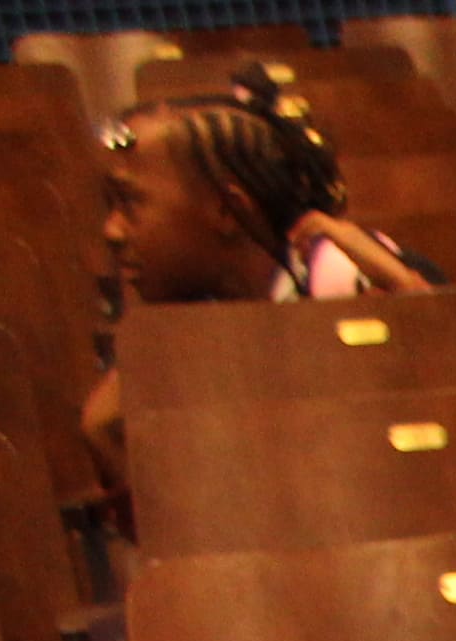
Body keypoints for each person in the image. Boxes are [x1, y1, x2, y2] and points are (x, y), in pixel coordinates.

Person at [84, 74, 422, 500]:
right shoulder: (201, 322)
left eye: (130, 203)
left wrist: (404, 289)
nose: (112, 231)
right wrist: (104, 431)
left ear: (228, 211)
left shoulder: (338, 276)